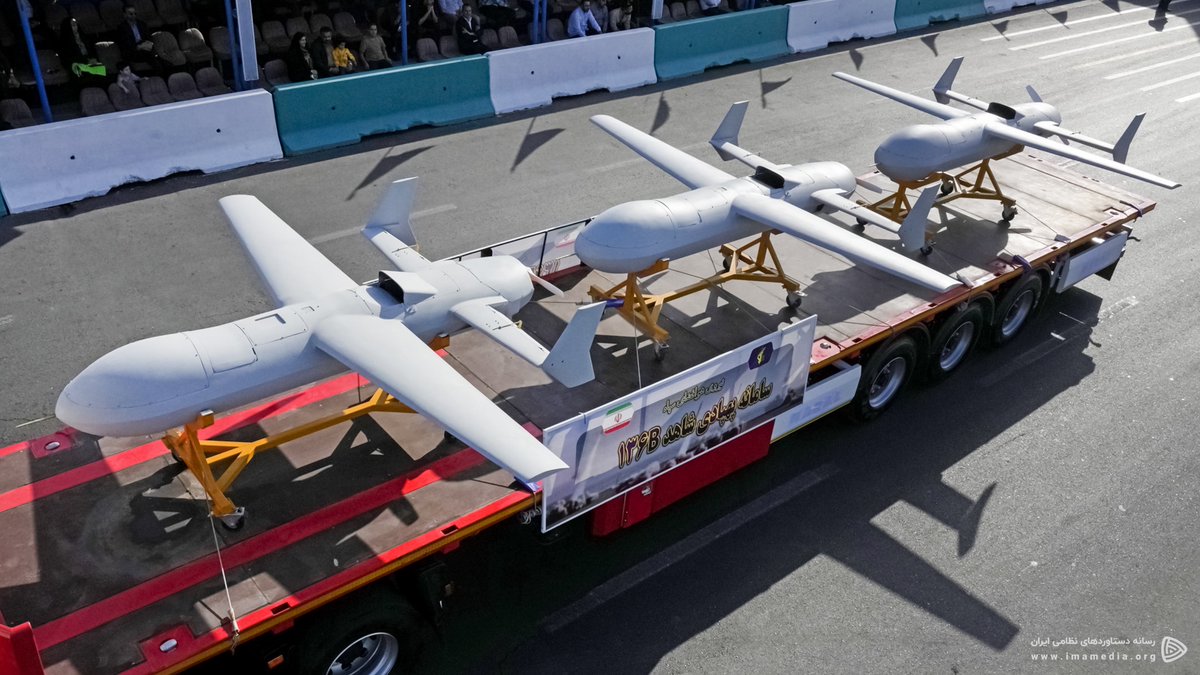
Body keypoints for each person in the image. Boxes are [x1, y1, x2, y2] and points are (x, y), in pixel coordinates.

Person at [59, 17, 108, 82]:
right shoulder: (64, 41)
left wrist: (93, 59)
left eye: (75, 24)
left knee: (100, 71)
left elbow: (92, 50)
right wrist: (85, 61)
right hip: (77, 63)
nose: (75, 26)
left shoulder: (84, 36)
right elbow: (67, 58)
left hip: (89, 61)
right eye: (72, 25)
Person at [115, 4, 159, 72]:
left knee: (154, 57)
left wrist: (148, 44)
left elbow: (149, 38)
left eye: (135, 13)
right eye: (131, 14)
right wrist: (138, 47)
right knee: (152, 57)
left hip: (144, 48)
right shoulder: (121, 28)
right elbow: (125, 45)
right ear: (125, 15)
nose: (133, 16)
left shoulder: (142, 24)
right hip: (132, 51)